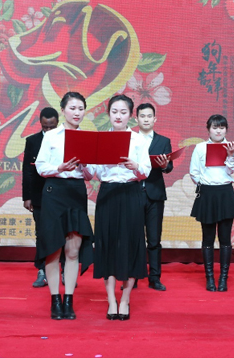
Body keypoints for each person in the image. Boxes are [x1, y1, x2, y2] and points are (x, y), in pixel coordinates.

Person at [89, 95, 151, 321]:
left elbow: (146, 171)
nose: (118, 116)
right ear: (108, 114)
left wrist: (135, 166)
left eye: (123, 112)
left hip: (131, 193)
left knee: (132, 243)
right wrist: (86, 163)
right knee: (107, 244)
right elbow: (92, 173)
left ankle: (125, 299)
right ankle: (111, 300)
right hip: (107, 194)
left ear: (130, 115)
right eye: (114, 112)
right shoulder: (100, 139)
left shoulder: (139, 140)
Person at [35, 92, 93, 320]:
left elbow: (90, 175)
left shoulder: (87, 137)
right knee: (53, 249)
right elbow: (40, 167)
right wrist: (59, 168)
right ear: (63, 110)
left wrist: (86, 165)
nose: (77, 113)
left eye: (81, 108)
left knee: (73, 249)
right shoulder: (51, 136)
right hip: (54, 192)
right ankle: (55, 300)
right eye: (72, 108)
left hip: (76, 192)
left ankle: (69, 299)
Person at [189, 115, 234, 293]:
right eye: (215, 127)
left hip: (225, 193)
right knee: (208, 239)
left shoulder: (231, 146)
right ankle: (210, 278)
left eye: (222, 127)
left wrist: (230, 156)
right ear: (208, 129)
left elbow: (232, 170)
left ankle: (223, 279)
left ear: (226, 129)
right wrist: (204, 184)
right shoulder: (200, 147)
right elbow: (193, 172)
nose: (218, 131)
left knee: (225, 239)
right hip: (207, 194)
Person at [135, 103, 173, 291]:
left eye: (149, 116)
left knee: (154, 239)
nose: (146, 119)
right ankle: (133, 277)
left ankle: (155, 278)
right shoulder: (130, 139)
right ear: (136, 119)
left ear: (155, 119)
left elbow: (169, 168)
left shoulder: (163, 141)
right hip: (133, 193)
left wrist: (165, 165)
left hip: (155, 195)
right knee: (134, 238)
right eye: (142, 116)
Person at [22, 107, 59, 288]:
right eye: (45, 127)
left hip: (60, 194)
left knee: (62, 233)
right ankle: (42, 270)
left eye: (52, 127)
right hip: (39, 195)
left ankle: (63, 270)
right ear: (40, 123)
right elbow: (27, 171)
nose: (48, 130)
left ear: (57, 123)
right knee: (41, 233)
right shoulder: (33, 141)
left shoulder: (64, 139)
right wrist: (27, 196)